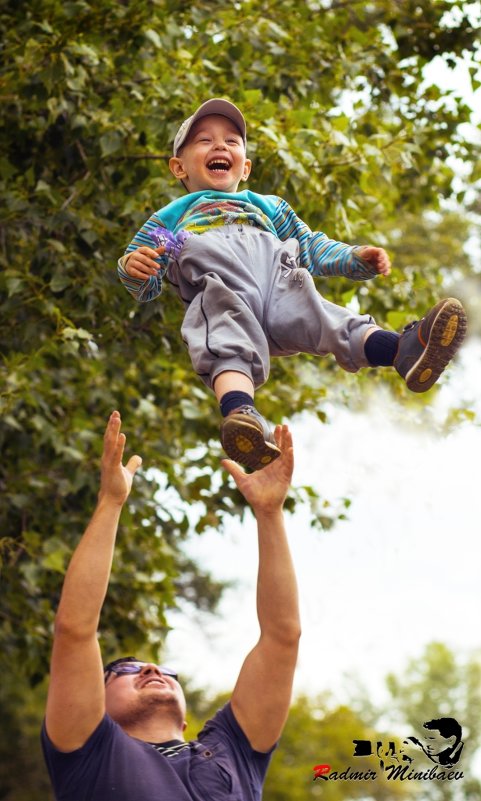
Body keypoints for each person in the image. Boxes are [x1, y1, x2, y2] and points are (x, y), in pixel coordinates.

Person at [118, 98, 467, 471]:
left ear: (246, 167)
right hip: (222, 289)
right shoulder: (170, 218)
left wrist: (354, 258)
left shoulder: (269, 208)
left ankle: (403, 351)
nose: (220, 146)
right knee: (227, 342)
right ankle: (243, 416)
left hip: (280, 283)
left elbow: (312, 247)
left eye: (232, 141)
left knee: (329, 319)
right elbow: (144, 273)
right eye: (204, 140)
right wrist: (133, 267)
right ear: (178, 167)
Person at [42, 411, 300, 801]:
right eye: (124, 670)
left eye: (164, 670)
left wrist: (269, 514)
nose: (150, 668)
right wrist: (111, 502)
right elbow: (75, 630)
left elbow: (282, 637)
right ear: (96, 699)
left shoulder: (235, 748)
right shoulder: (88, 754)